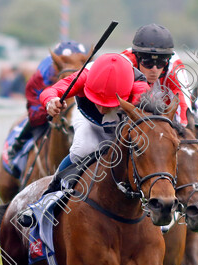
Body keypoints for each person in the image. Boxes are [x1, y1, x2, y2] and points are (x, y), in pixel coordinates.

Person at [39, 53, 151, 192]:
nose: (102, 109)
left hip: (122, 127)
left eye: (109, 104)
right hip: (89, 123)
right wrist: (50, 101)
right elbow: (51, 91)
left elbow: (147, 120)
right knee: (82, 149)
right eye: (97, 101)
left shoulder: (139, 86)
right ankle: (53, 191)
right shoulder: (84, 75)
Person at [5, 41, 88, 162]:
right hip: (41, 96)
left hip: (66, 98)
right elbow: (38, 96)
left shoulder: (87, 70)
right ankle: (18, 143)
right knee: (39, 118)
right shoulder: (44, 73)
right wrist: (50, 106)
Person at [120, 23, 196, 125]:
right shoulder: (124, 63)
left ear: (168, 61)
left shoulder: (174, 68)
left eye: (160, 63)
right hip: (131, 108)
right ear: (136, 58)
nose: (154, 69)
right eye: (148, 62)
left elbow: (184, 116)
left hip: (165, 108)